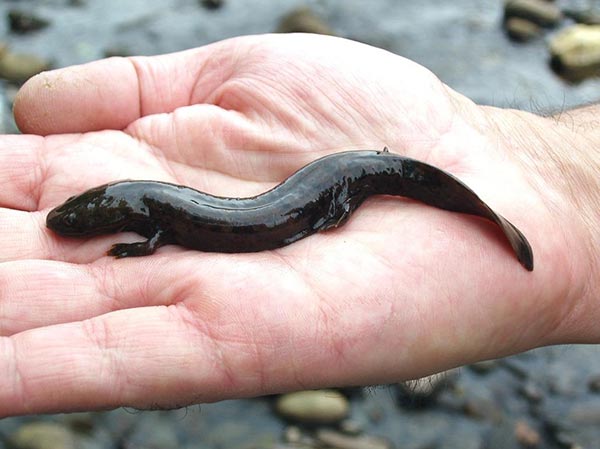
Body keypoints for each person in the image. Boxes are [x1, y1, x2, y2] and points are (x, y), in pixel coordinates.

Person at [0, 33, 598, 417]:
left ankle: (368, 197)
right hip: (331, 179)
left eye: (80, 220)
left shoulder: (150, 213)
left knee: (349, 191)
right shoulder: (146, 203)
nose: (77, 225)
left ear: (114, 202)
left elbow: (153, 235)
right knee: (340, 190)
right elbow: (152, 227)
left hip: (340, 178)